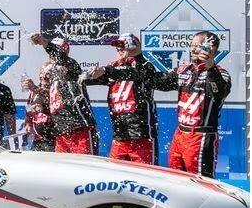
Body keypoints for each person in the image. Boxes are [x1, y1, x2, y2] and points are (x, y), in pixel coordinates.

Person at [153, 31, 231, 178]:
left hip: (201, 136)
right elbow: (158, 82)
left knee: (200, 183)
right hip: (180, 134)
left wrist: (210, 68)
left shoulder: (221, 73)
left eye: (197, 46)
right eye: (192, 45)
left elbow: (218, 92)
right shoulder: (184, 70)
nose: (193, 49)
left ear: (211, 49)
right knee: (175, 178)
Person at [84, 33, 159, 164]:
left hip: (141, 136)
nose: (118, 49)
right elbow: (87, 80)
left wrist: (136, 55)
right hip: (119, 136)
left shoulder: (144, 66)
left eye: (122, 45)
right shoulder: (112, 67)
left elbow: (134, 74)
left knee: (144, 178)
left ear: (133, 46)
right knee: (116, 178)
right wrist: (88, 75)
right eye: (116, 46)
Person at [29, 33, 99, 155]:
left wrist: (44, 42)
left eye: (55, 52)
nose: (52, 57)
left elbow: (60, 56)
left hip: (80, 129)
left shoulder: (73, 69)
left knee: (85, 170)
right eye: (50, 55)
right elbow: (54, 106)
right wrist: (37, 97)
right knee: (62, 171)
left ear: (65, 50)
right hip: (61, 133)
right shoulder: (53, 80)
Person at [22, 62, 57, 152]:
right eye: (42, 72)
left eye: (47, 73)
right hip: (37, 139)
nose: (44, 75)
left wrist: (34, 88)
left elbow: (50, 100)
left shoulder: (55, 90)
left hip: (53, 139)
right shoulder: (33, 91)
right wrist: (28, 124)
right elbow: (29, 110)